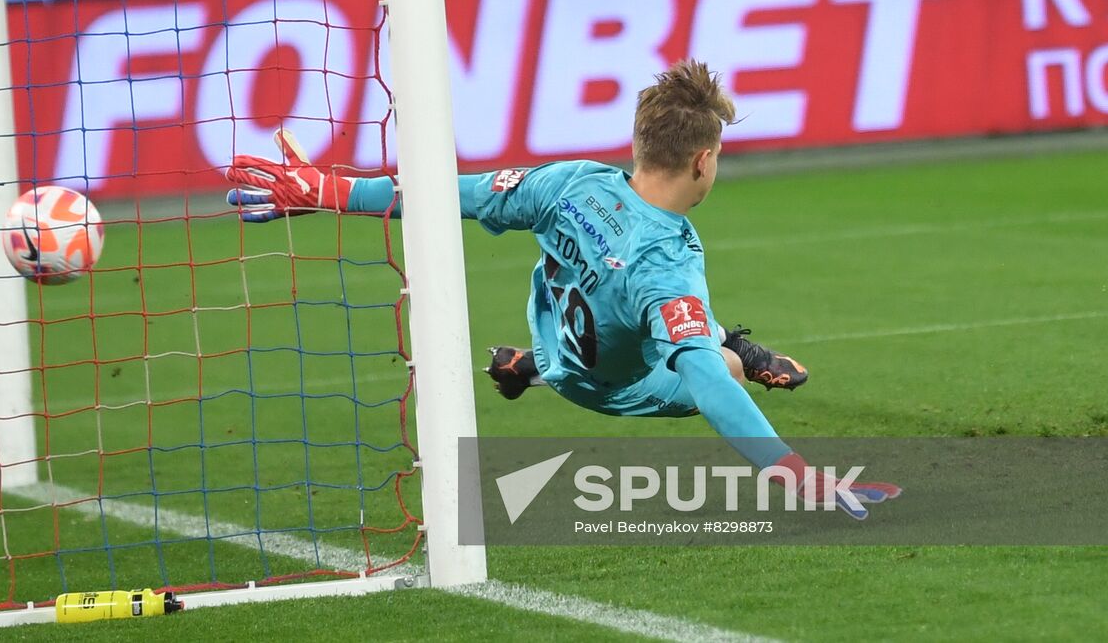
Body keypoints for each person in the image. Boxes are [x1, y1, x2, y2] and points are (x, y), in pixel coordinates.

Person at [224, 59, 902, 512]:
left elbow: (444, 193)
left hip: (557, 339)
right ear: (703, 161)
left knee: (667, 322)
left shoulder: (570, 181)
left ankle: (536, 360)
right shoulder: (666, 259)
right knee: (712, 360)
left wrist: (328, 190)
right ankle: (736, 347)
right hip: (604, 384)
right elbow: (704, 381)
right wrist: (795, 474)